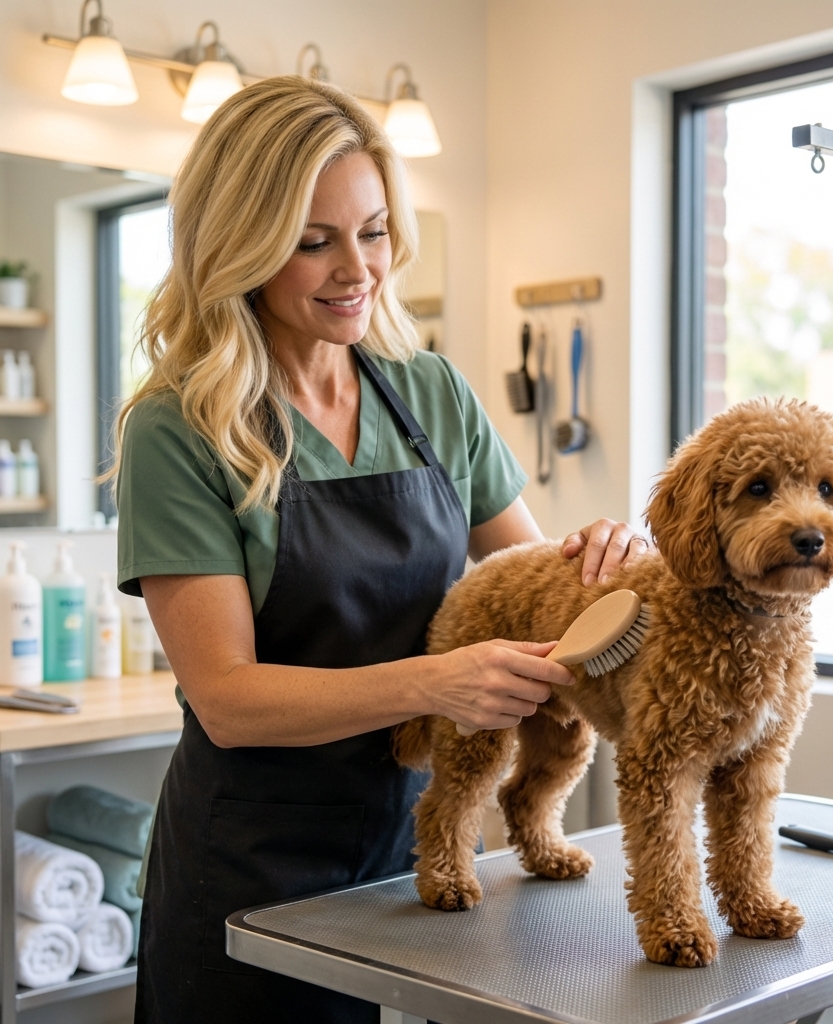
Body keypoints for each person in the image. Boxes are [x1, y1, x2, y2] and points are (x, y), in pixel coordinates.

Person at [113, 77, 645, 1023]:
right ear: (237, 247)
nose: (356, 267)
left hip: (417, 844)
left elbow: (529, 585)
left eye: (373, 231)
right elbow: (227, 698)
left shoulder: (429, 391)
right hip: (253, 863)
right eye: (313, 242)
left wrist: (601, 565)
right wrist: (434, 682)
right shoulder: (179, 427)